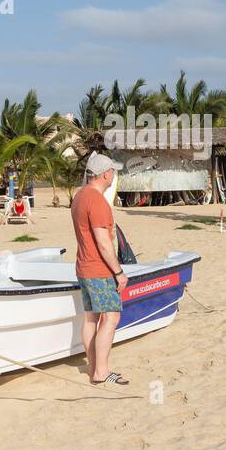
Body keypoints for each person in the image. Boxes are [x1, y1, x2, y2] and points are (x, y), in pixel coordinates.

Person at [71, 152, 129, 385]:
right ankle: (101, 372)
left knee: (91, 319)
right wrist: (118, 272)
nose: (113, 175)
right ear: (106, 174)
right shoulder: (97, 201)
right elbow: (104, 243)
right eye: (112, 172)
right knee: (111, 317)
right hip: (99, 269)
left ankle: (95, 367)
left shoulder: (79, 196)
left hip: (83, 266)